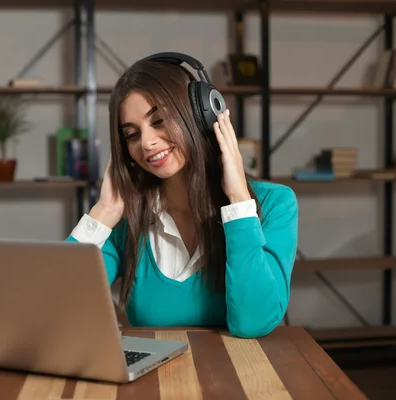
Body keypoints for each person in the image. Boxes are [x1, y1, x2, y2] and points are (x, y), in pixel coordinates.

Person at [65, 52, 298, 338]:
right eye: (132, 135)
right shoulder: (128, 220)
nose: (148, 143)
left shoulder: (275, 204)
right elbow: (54, 308)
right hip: (152, 381)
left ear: (203, 115)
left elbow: (253, 322)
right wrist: (103, 211)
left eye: (160, 120)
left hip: (242, 377)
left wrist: (238, 201)